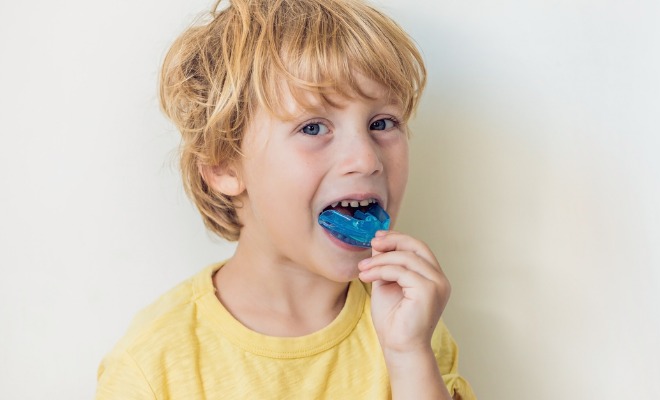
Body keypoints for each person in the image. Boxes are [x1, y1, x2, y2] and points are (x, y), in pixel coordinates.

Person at [96, 0, 475, 398]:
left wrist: (408, 355)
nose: (366, 159)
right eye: (313, 127)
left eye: (382, 123)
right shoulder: (154, 366)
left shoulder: (408, 322)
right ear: (225, 165)